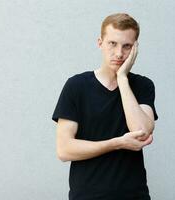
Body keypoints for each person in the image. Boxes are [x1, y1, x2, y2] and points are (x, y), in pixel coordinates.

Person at [52, 13, 158, 200]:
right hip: (87, 196)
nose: (119, 53)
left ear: (135, 49)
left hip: (134, 196)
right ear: (100, 43)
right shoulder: (77, 86)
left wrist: (122, 78)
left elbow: (141, 131)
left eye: (127, 46)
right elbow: (64, 149)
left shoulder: (143, 85)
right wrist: (117, 143)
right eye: (112, 44)